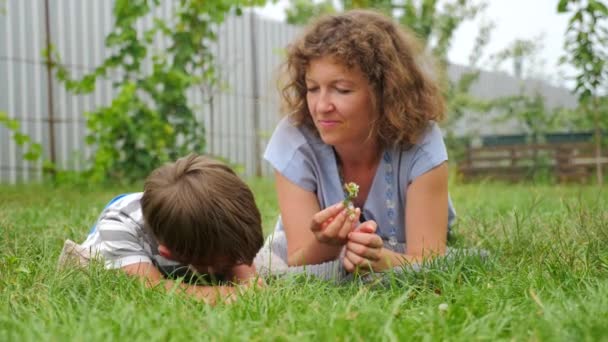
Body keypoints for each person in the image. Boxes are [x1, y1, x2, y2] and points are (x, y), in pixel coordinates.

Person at [260, 9, 456, 278]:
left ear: (384, 92)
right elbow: (297, 258)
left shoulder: (421, 141)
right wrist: (327, 243)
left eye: (341, 89)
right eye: (313, 88)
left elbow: (430, 259)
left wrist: (385, 260)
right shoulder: (294, 140)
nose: (321, 106)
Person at [58, 154, 264, 304]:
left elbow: (251, 285)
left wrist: (247, 281)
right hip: (111, 256)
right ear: (170, 253)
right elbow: (152, 288)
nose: (239, 261)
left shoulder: (221, 224)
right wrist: (226, 294)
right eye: (220, 262)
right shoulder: (120, 227)